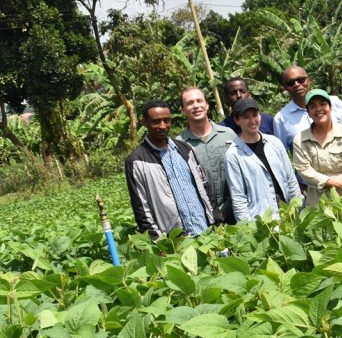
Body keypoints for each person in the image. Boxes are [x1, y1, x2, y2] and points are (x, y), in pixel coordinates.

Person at [125, 100, 217, 238]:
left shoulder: (184, 149)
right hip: (174, 240)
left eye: (166, 120)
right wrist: (157, 240)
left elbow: (204, 186)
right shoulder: (136, 161)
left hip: (205, 232)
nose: (163, 126)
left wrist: (215, 220)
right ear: (144, 123)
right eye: (156, 121)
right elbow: (141, 208)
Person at [225, 98, 301, 222]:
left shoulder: (274, 143)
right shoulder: (233, 155)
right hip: (262, 222)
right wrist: (248, 229)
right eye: (246, 117)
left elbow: (290, 179)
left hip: (288, 213)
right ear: (237, 120)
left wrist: (298, 208)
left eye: (255, 115)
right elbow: (238, 198)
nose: (252, 121)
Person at [292, 89, 342, 207]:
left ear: (330, 108)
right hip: (320, 203)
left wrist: (341, 197)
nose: (318, 109)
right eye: (313, 106)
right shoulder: (300, 140)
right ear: (308, 112)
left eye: (323, 104)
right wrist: (336, 183)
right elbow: (304, 171)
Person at [177, 87, 237, 223]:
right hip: (203, 219)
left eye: (199, 101)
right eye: (190, 103)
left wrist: (225, 209)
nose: (196, 106)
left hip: (236, 212)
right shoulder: (179, 145)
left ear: (207, 105)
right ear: (183, 110)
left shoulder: (229, 135)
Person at [274, 65, 342, 151]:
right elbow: (281, 152)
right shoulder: (281, 119)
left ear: (309, 81)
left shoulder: (334, 102)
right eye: (290, 83)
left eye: (301, 80)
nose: (297, 84)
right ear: (285, 88)